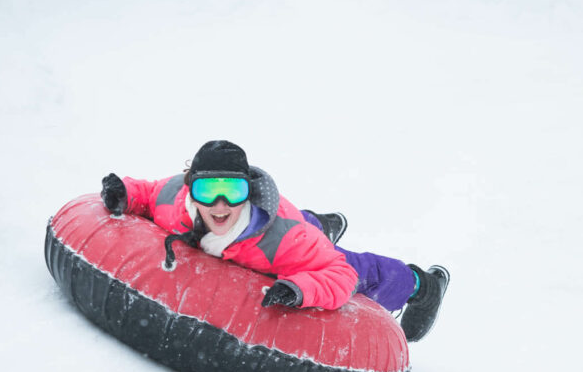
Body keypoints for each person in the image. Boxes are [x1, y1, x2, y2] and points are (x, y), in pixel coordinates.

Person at [100, 140, 449, 342]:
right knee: (306, 229)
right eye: (208, 191)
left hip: (286, 238)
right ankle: (323, 223)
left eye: (233, 191)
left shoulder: (285, 240)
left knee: (358, 269)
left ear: (248, 192)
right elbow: (146, 193)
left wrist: (300, 289)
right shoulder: (173, 200)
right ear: (190, 189)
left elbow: (338, 274)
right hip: (292, 227)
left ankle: (423, 285)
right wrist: (123, 192)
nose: (220, 205)